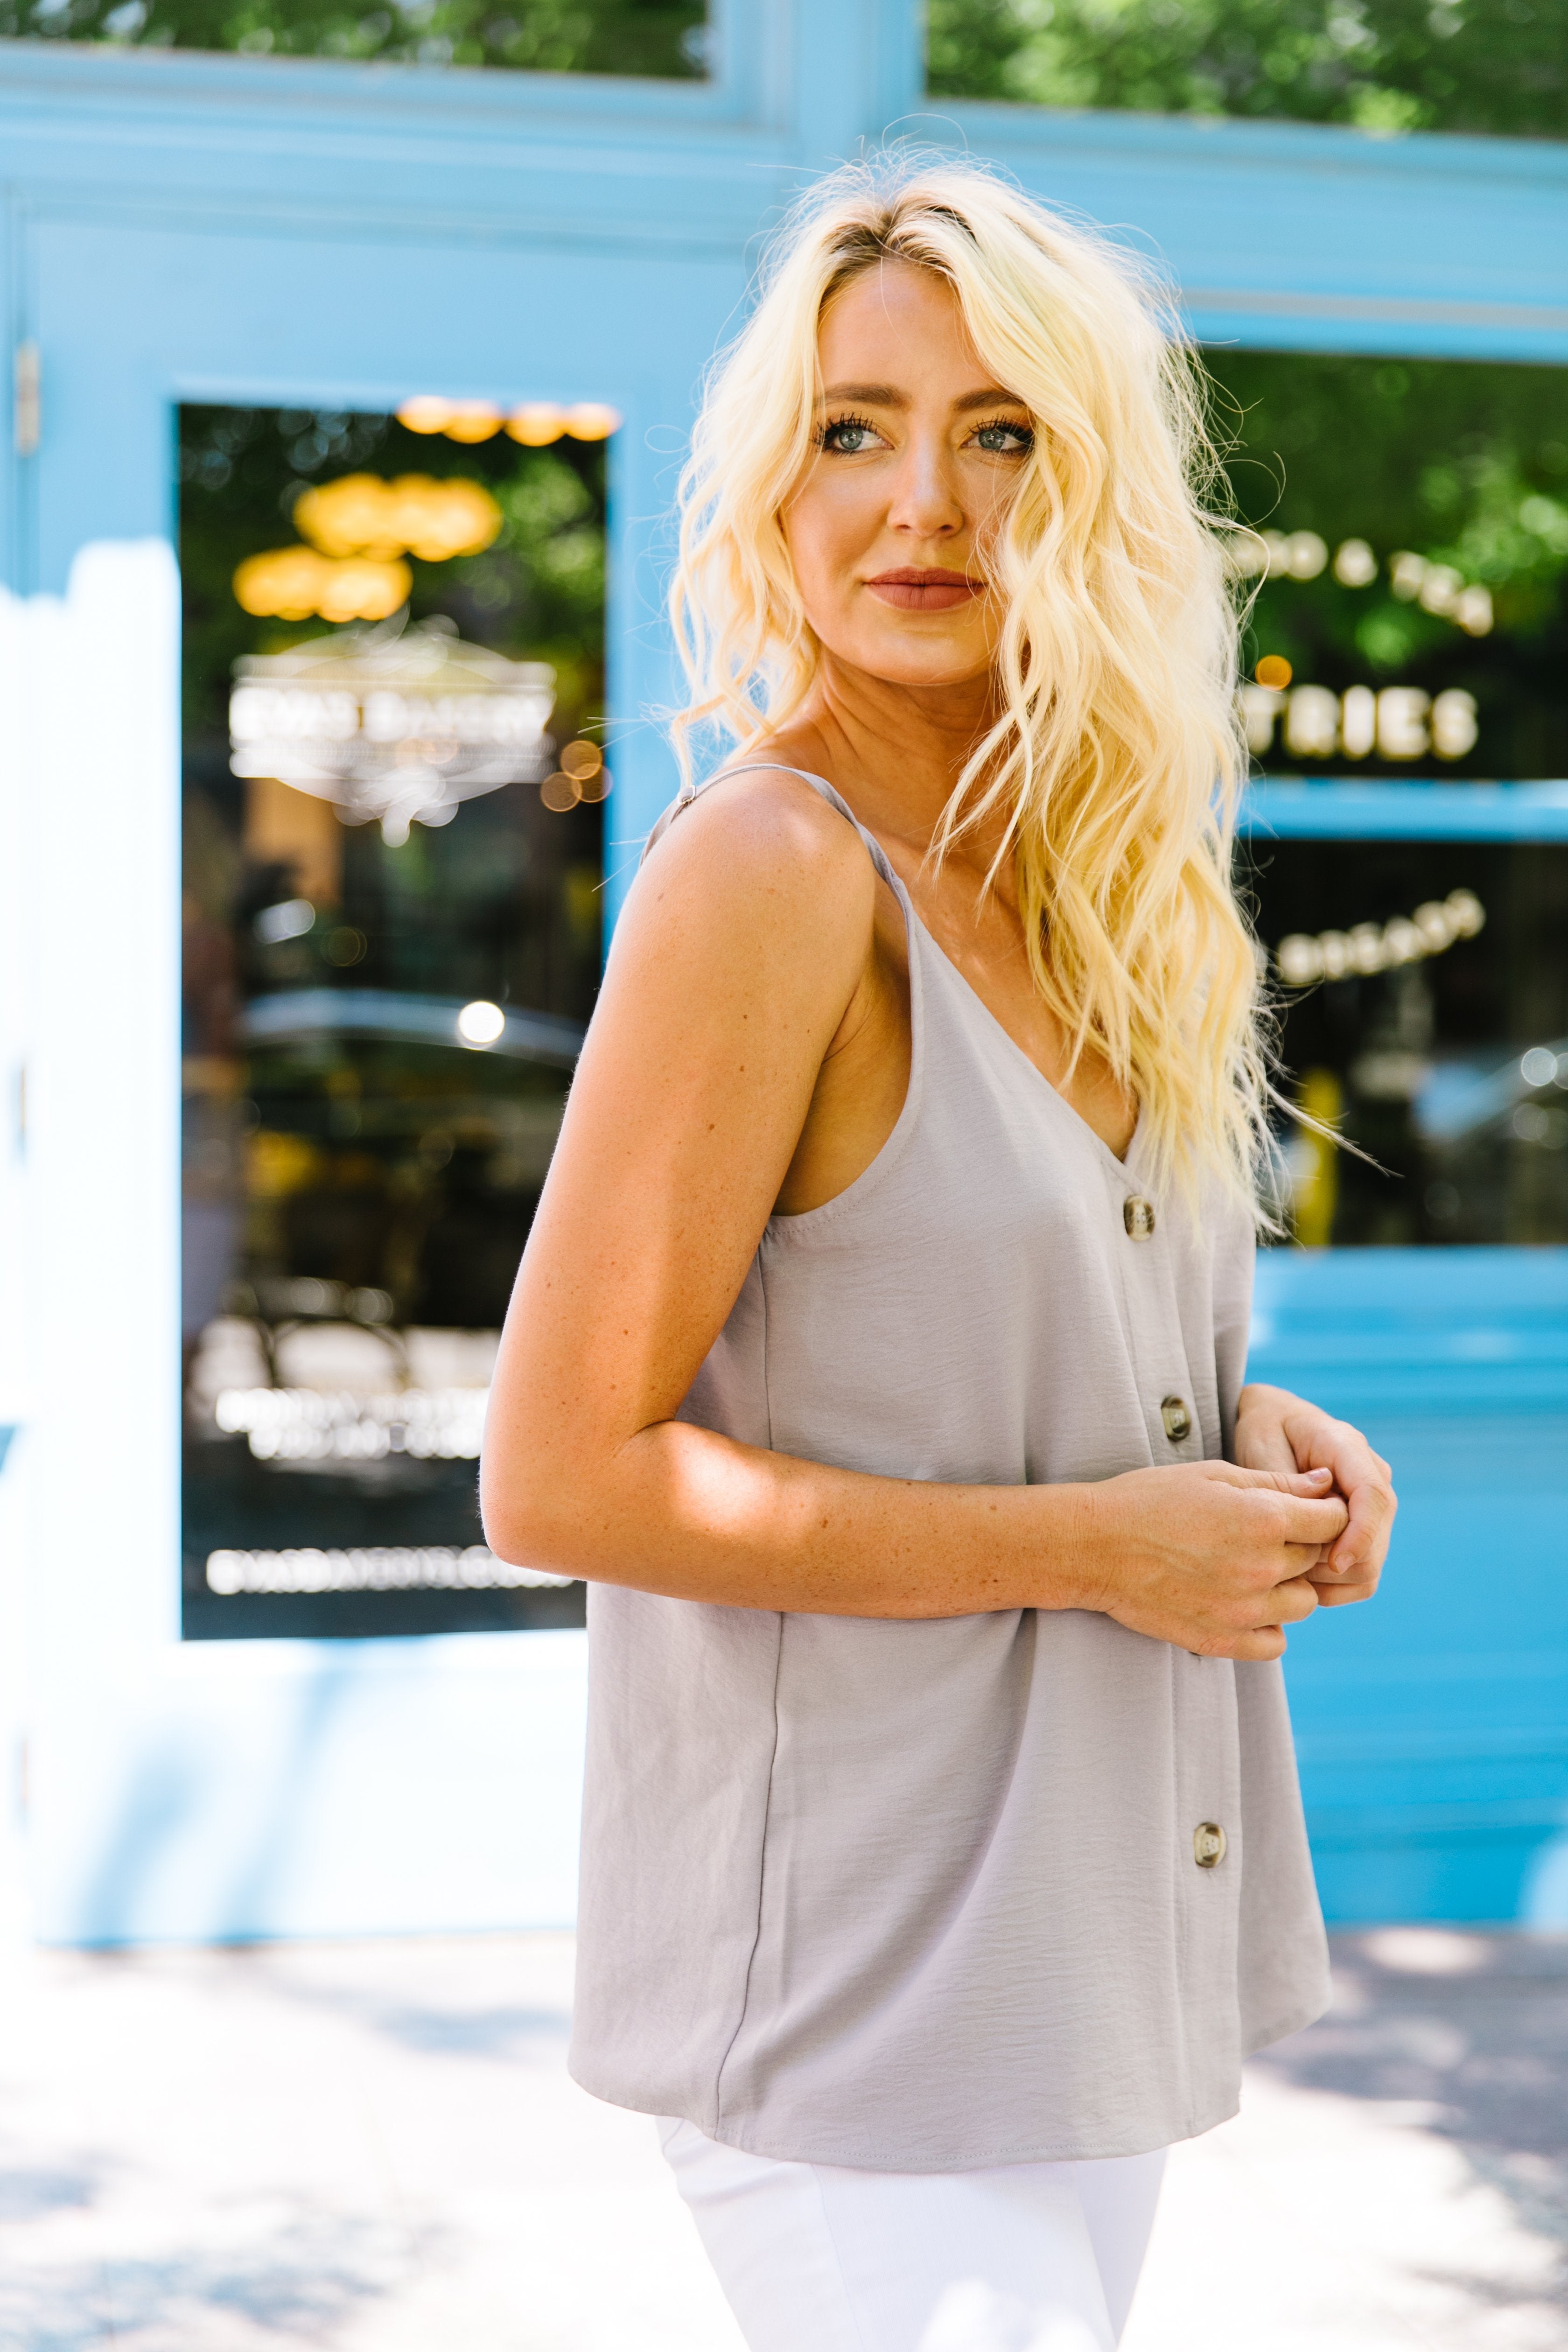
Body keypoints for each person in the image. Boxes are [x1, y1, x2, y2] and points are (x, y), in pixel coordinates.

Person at [481, 154, 1396, 2352]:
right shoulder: (769, 868)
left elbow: (1009, 1326)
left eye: (999, 436)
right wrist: (1106, 1543)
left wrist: (1243, 1449)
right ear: (774, 492)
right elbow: (562, 1477)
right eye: (852, 432)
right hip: (868, 1985)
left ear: (1093, 491)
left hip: (1078, 1941)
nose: (923, 505)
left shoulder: (1109, 886)